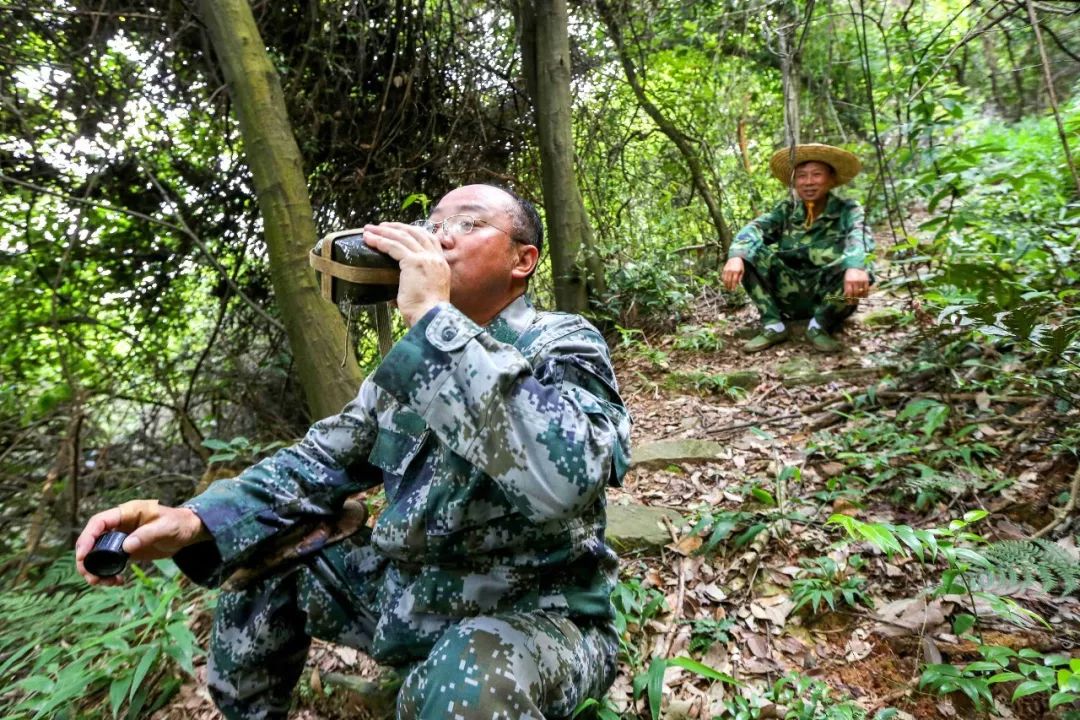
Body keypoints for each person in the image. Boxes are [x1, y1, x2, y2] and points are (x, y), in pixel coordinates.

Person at [75, 183, 632, 720]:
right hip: (412, 602)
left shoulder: (561, 341)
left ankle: (445, 680)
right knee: (264, 559)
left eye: (468, 224)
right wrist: (194, 519)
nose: (439, 237)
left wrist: (434, 319)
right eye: (433, 223)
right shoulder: (401, 376)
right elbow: (313, 466)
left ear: (523, 261)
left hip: (538, 619)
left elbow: (568, 476)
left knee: (471, 669)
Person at [722, 144, 874, 354]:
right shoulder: (786, 212)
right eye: (802, 176)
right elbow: (756, 228)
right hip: (788, 296)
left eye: (816, 175)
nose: (809, 182)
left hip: (831, 298)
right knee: (748, 252)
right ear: (794, 182)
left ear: (831, 179)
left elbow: (860, 235)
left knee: (863, 264)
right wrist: (737, 255)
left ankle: (819, 325)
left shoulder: (847, 210)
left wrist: (856, 266)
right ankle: (773, 324)